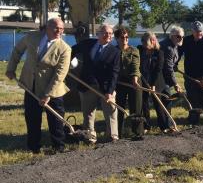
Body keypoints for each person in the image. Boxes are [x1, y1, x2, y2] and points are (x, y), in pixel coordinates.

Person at [5, 18, 71, 153]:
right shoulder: (31, 37)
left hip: (53, 90)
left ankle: (59, 147)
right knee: (32, 118)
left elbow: (60, 74)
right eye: (56, 28)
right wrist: (11, 68)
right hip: (31, 86)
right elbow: (18, 50)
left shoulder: (65, 48)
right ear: (47, 27)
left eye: (62, 29)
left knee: (56, 121)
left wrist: (48, 94)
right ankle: (33, 147)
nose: (59, 31)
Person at [71, 24, 120, 143]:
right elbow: (71, 50)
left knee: (111, 112)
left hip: (106, 87)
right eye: (104, 33)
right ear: (98, 34)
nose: (107, 35)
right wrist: (67, 64)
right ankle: (89, 136)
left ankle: (112, 136)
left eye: (110, 33)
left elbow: (114, 73)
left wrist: (109, 91)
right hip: (87, 84)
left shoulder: (115, 51)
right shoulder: (87, 44)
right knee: (88, 113)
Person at [181, 21, 203, 125]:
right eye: (196, 31)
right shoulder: (186, 41)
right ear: (192, 31)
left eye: (200, 31)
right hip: (190, 76)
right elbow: (179, 50)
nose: (198, 33)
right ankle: (194, 118)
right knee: (192, 97)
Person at [138, 32, 172, 133]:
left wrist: (152, 84)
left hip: (156, 81)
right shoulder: (140, 50)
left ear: (153, 41)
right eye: (143, 41)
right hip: (143, 80)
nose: (144, 44)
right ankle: (146, 125)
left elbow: (158, 69)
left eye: (146, 42)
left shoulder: (159, 53)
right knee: (143, 103)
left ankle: (163, 126)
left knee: (158, 104)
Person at [114, 27, 143, 139]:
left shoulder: (134, 50)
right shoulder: (113, 50)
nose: (125, 39)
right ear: (116, 38)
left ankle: (137, 133)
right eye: (122, 37)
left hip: (133, 81)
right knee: (119, 108)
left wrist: (135, 78)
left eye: (127, 37)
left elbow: (135, 65)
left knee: (136, 107)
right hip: (119, 82)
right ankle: (118, 134)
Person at [159, 26, 184, 132]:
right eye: (178, 36)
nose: (181, 39)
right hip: (160, 77)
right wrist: (176, 84)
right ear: (172, 36)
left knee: (166, 100)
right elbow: (168, 68)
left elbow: (171, 64)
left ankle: (165, 125)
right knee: (166, 100)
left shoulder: (174, 45)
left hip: (165, 76)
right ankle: (166, 126)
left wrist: (175, 66)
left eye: (182, 37)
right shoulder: (168, 47)